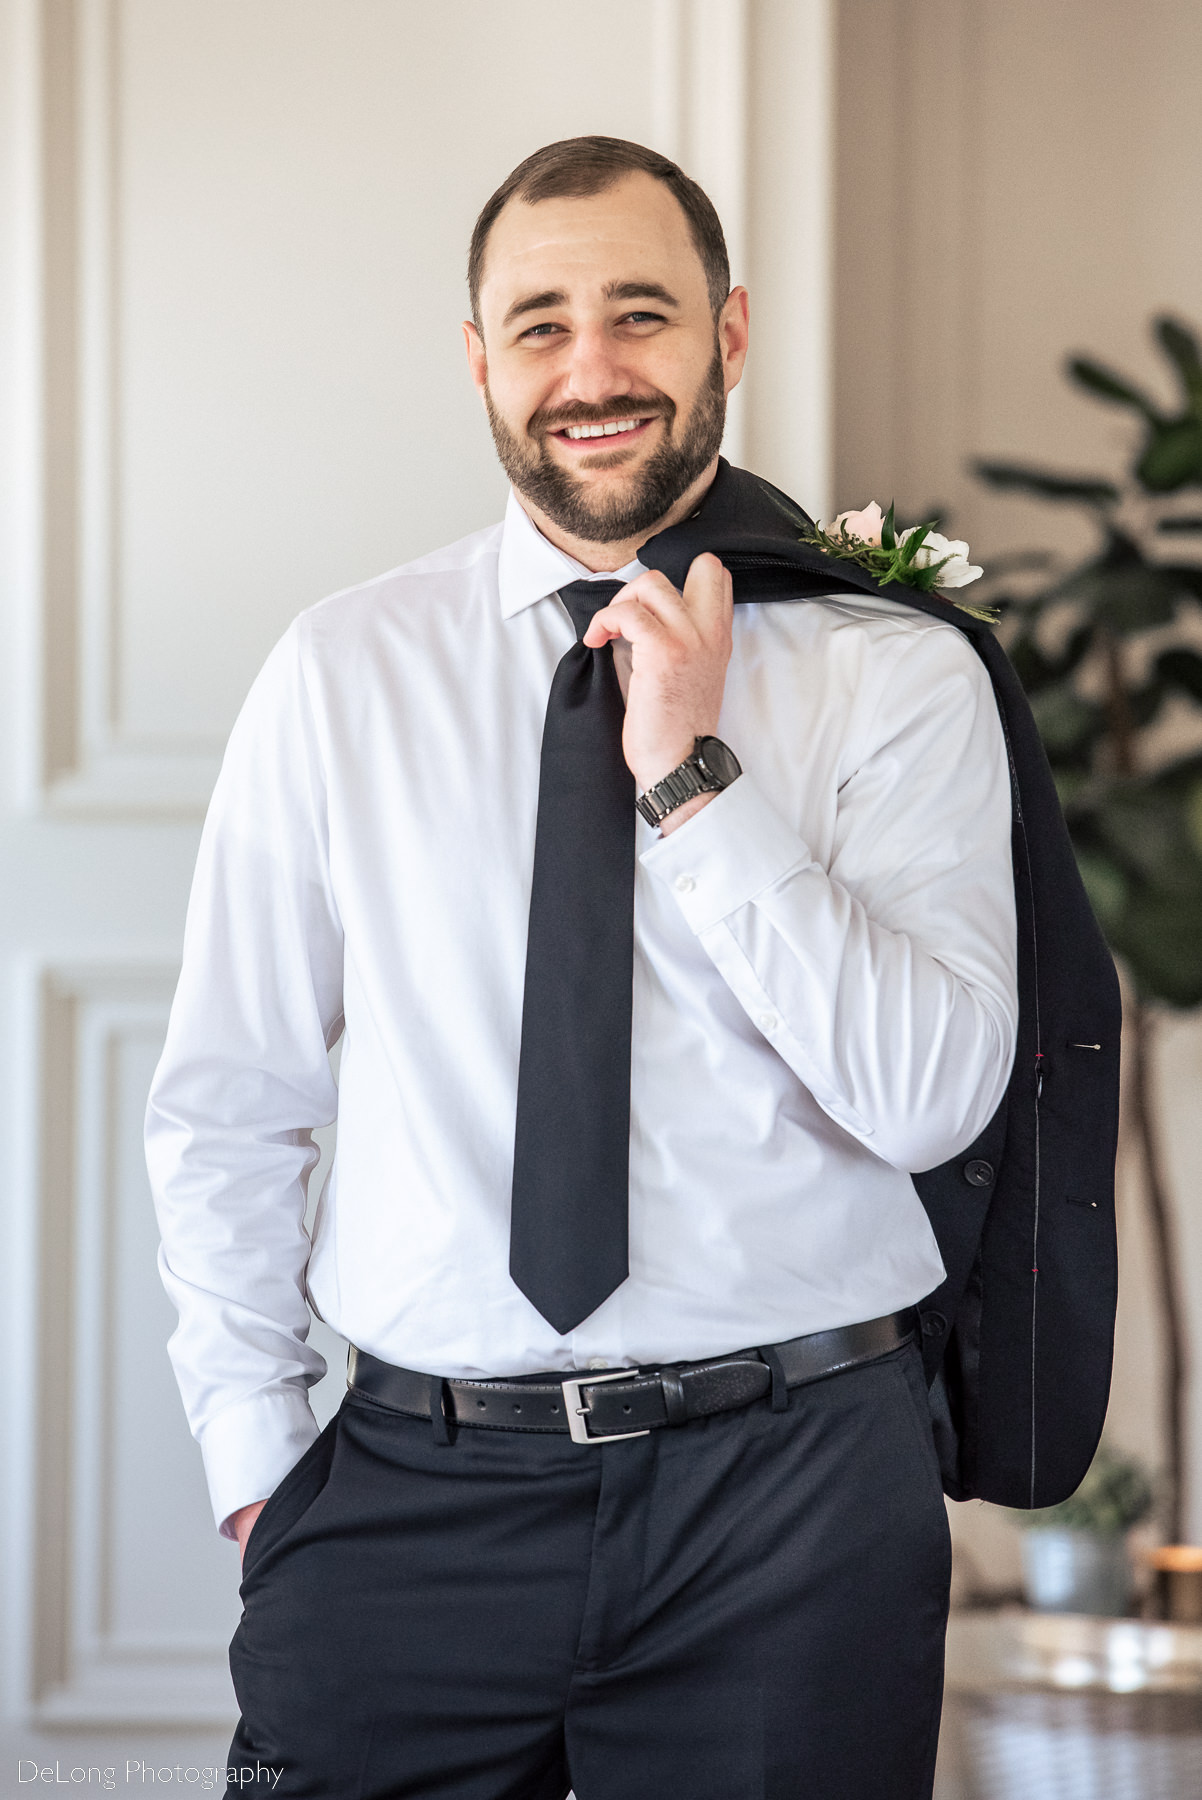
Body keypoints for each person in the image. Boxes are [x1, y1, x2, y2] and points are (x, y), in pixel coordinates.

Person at [147, 136, 1018, 1799]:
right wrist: (256, 1455)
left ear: (729, 336)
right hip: (415, 1494)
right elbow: (230, 1098)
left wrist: (696, 777)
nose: (593, 368)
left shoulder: (891, 675)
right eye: (538, 324)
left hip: (791, 1504)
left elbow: (926, 1103)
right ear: (478, 359)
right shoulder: (344, 669)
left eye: (642, 314)